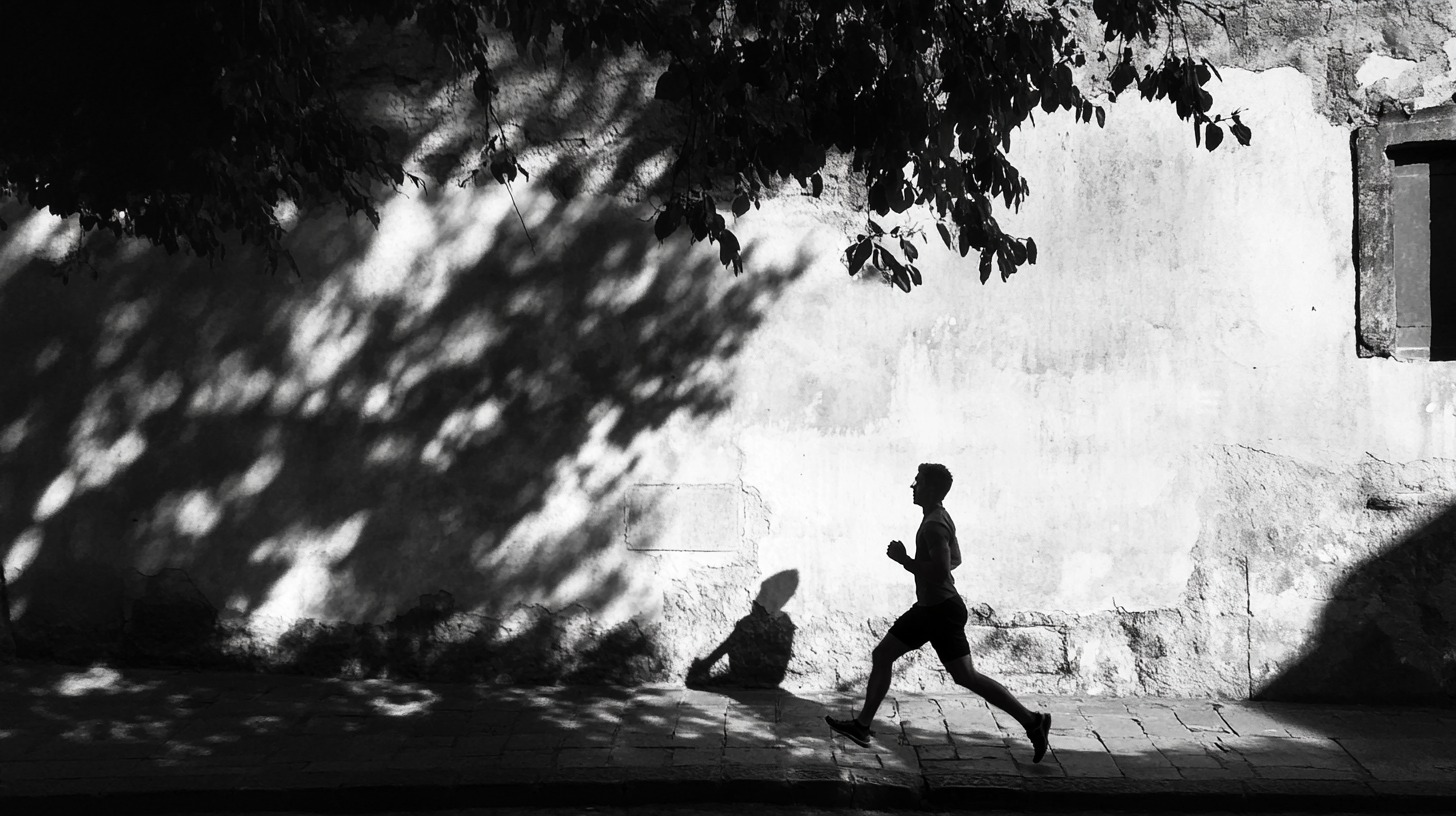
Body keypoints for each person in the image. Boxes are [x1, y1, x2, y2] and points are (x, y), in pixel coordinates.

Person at [826, 463, 1052, 762]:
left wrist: (904, 560)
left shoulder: (934, 524)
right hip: (930, 609)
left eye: (917, 482)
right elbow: (955, 559)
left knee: (966, 677)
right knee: (884, 656)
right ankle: (862, 726)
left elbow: (943, 569)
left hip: (941, 612)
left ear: (931, 489)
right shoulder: (940, 518)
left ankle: (1032, 721)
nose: (912, 486)